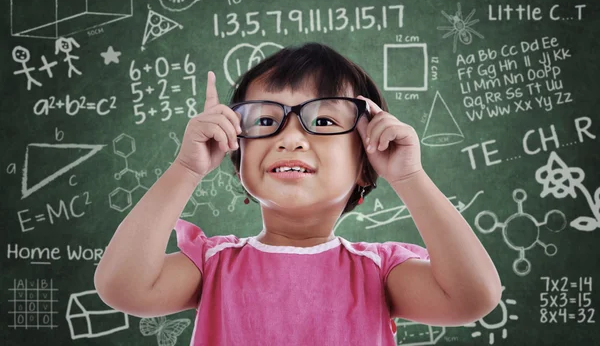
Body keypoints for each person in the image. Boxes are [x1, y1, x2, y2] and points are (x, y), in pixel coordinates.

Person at [95, 43, 502, 345]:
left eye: (323, 120)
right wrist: (186, 168)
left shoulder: (377, 271)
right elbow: (123, 286)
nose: (291, 138)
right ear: (237, 157)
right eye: (266, 120)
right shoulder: (213, 265)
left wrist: (410, 177)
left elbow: (472, 297)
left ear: (365, 165)